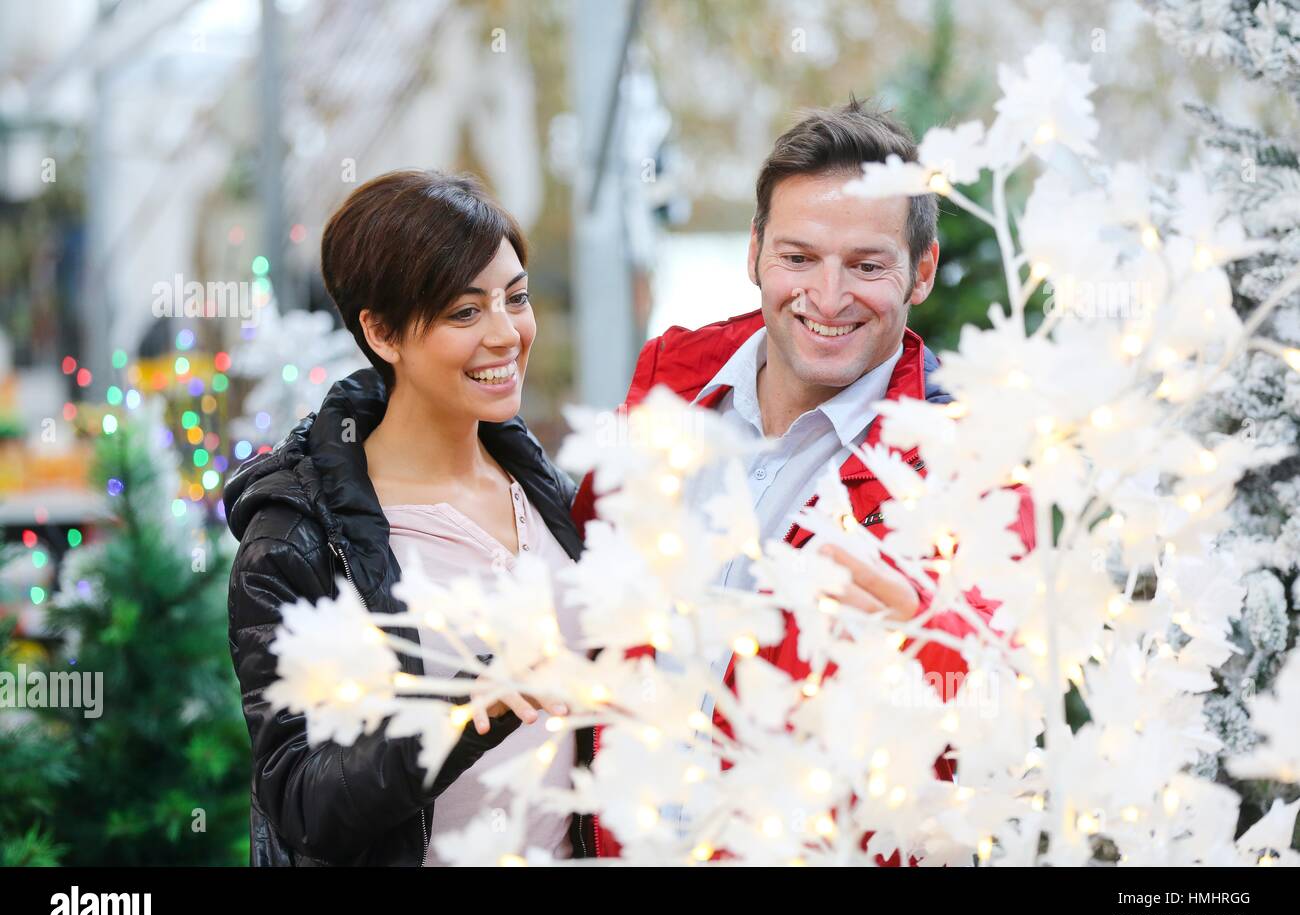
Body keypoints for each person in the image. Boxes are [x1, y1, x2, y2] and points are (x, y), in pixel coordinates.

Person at [570, 99, 1036, 862]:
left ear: (920, 271)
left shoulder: (972, 463)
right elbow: (582, 561)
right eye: (798, 257)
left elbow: (1003, 690)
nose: (826, 297)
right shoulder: (671, 376)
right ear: (755, 251)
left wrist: (924, 646)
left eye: (866, 264)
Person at [224, 169, 594, 866]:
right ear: (383, 331)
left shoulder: (556, 498)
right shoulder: (298, 541)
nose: (506, 334)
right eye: (464, 312)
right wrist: (466, 712)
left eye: (515, 298)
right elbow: (302, 800)